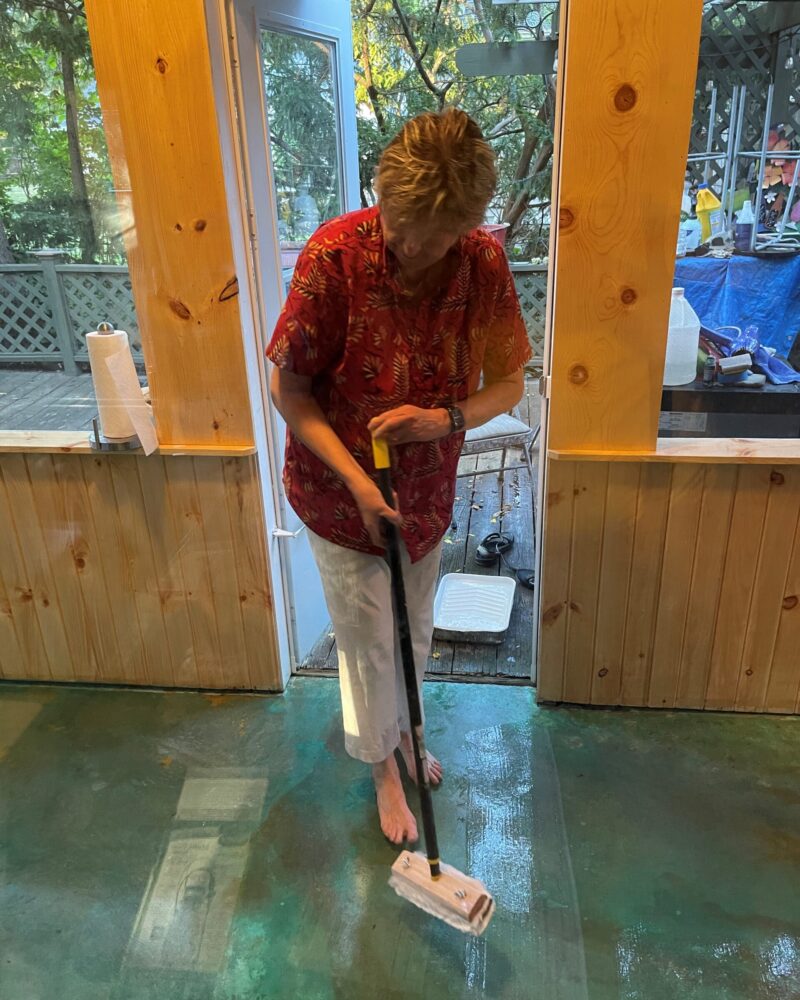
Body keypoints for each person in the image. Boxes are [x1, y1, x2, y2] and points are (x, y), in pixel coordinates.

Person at [267, 108, 531, 845]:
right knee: (367, 638)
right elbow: (289, 391)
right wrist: (355, 480)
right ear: (383, 195)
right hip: (338, 490)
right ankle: (382, 767)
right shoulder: (335, 257)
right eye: (401, 222)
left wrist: (443, 419)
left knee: (413, 629)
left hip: (426, 489)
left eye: (437, 234)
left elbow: (510, 383)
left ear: (468, 224)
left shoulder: (481, 263)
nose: (413, 245)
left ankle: (409, 732)